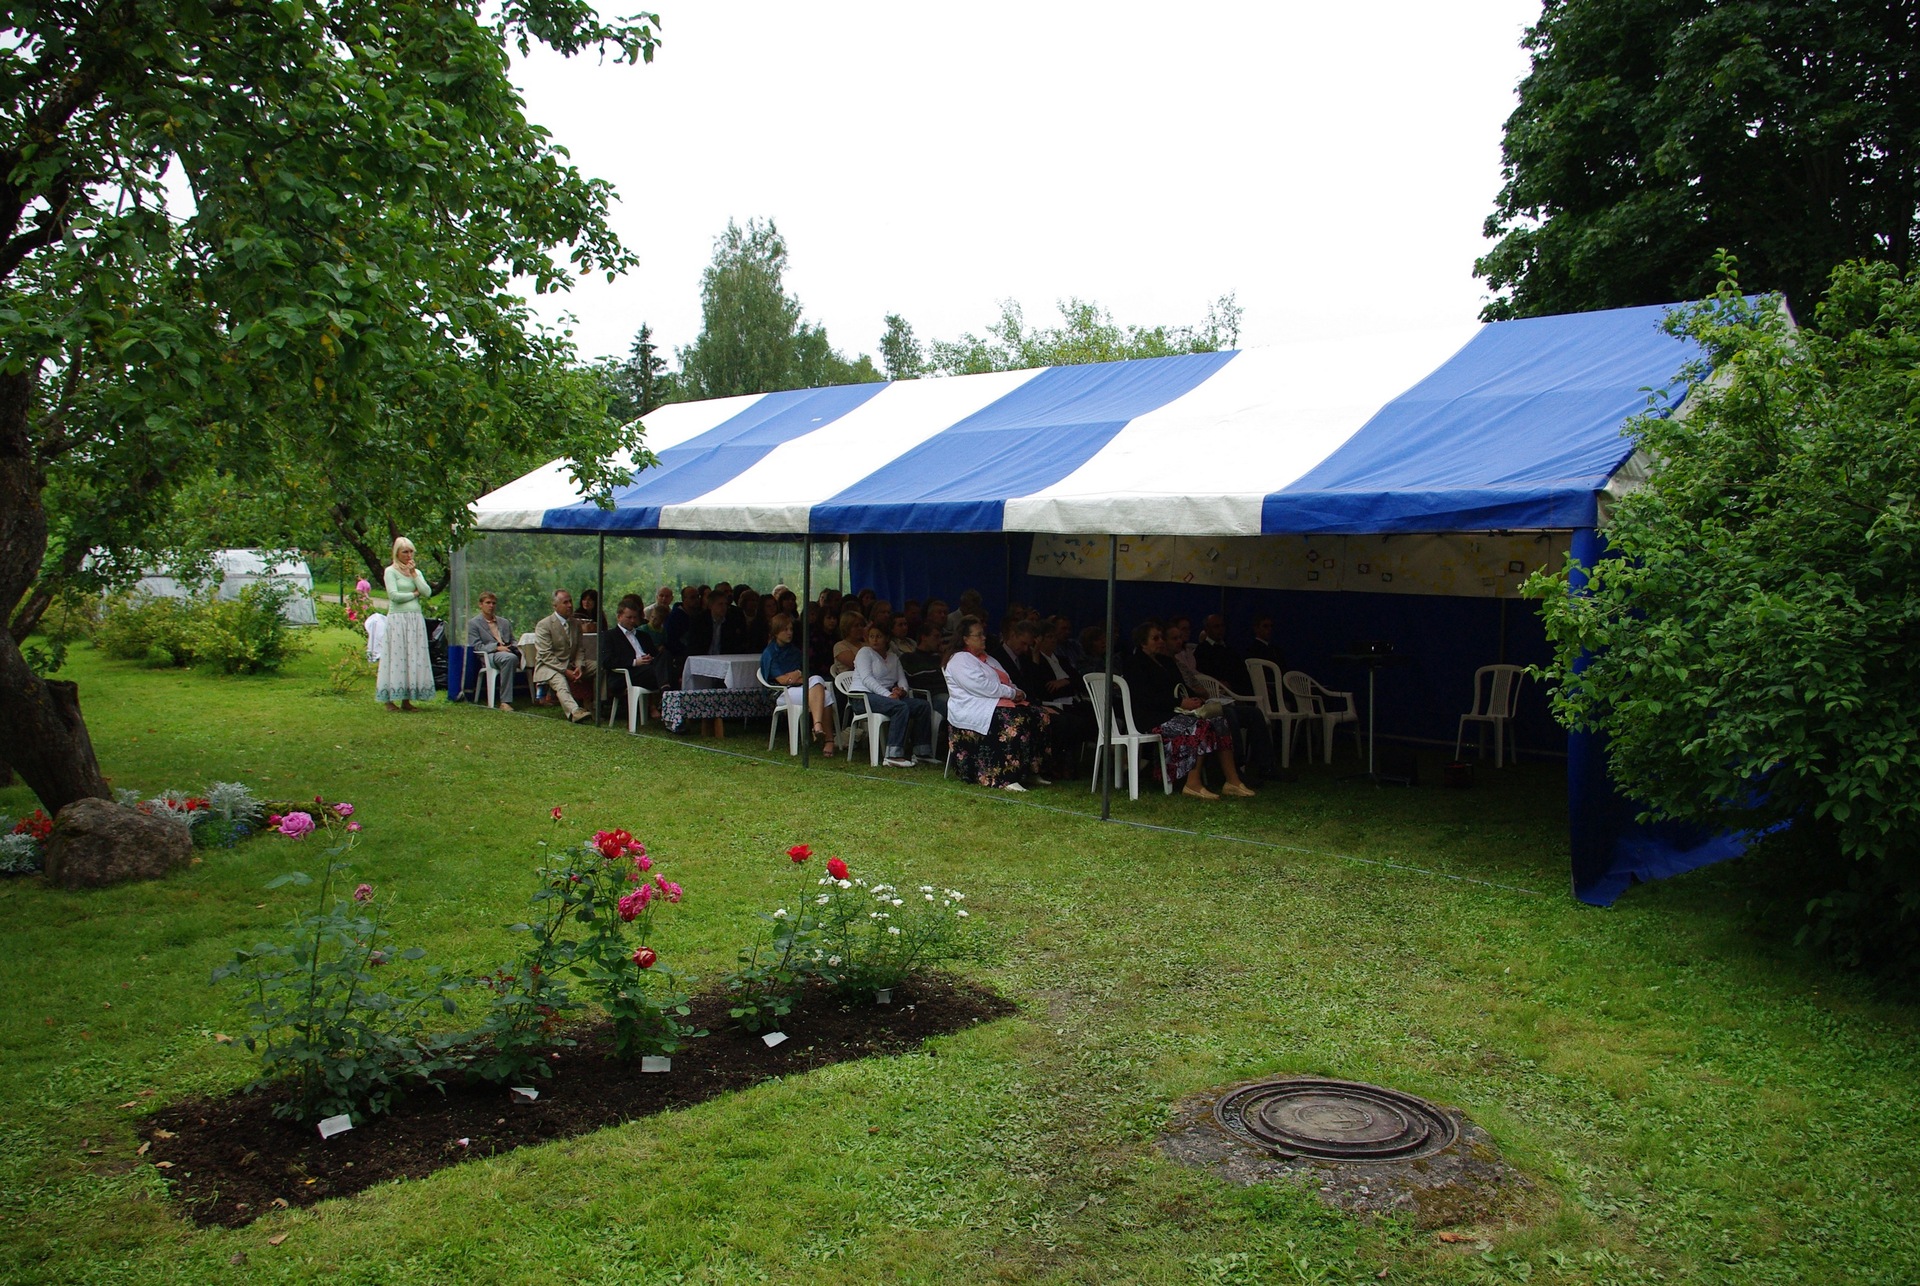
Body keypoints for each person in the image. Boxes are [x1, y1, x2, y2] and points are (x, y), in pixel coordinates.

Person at [1122, 622, 1253, 800]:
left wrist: (1195, 699)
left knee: (1219, 722)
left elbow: (1181, 686)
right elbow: (1145, 698)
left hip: (1175, 712)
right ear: (1143, 642)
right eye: (1155, 638)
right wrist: (1180, 702)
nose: (1161, 641)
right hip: (1152, 717)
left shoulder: (1166, 661)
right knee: (1199, 726)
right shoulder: (1134, 664)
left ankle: (1232, 781)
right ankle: (1193, 782)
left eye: (1161, 637)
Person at [943, 615, 1047, 792]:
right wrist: (1012, 693)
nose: (984, 638)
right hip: (974, 708)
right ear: (965, 639)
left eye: (983, 634)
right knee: (1014, 719)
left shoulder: (989, 659)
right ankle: (1005, 777)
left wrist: (1018, 692)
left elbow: (1008, 681)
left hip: (998, 703)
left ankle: (1029, 771)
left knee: (1039, 715)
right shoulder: (960, 659)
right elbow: (981, 687)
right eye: (979, 635)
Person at [851, 623, 935, 767]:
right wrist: (888, 695)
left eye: (879, 636)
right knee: (900, 707)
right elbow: (867, 679)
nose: (874, 640)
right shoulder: (864, 652)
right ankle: (892, 755)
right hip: (862, 697)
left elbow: (901, 679)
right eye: (871, 636)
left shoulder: (893, 657)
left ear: (887, 638)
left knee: (922, 706)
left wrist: (902, 690)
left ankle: (921, 752)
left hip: (885, 697)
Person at [760, 612, 835, 755]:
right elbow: (782, 680)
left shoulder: (795, 651)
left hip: (800, 687)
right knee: (826, 696)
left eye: (791, 629)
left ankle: (819, 727)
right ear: (776, 632)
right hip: (781, 692)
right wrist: (796, 675)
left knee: (817, 680)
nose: (790, 633)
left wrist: (797, 674)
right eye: (785, 630)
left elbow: (807, 674)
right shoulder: (770, 653)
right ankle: (827, 737)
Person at [376, 537, 435, 712]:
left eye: (411, 552)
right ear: (397, 553)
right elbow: (394, 596)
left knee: (412, 656)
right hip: (398, 619)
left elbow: (427, 592)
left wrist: (414, 575)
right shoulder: (390, 572)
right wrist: (414, 595)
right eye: (405, 552)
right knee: (396, 656)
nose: (409, 555)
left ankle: (406, 699)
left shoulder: (416, 572)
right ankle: (389, 699)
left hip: (414, 618)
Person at [534, 588, 597, 723]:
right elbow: (545, 655)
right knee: (560, 680)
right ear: (555, 606)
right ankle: (575, 711)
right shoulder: (544, 625)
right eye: (565, 602)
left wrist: (579, 666)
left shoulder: (576, 623)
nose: (569, 605)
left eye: (570, 601)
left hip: (571, 663)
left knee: (598, 666)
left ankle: (596, 704)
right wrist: (565, 671)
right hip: (549, 666)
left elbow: (580, 649)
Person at [602, 594, 663, 714]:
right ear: (619, 617)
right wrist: (635, 662)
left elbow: (655, 655)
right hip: (628, 674)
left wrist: (650, 658)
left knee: (665, 656)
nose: (633, 621)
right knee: (664, 673)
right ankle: (666, 696)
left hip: (649, 670)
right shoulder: (610, 636)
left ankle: (665, 690)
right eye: (629, 617)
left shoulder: (643, 635)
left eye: (635, 617)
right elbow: (607, 661)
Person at [464, 590, 519, 711]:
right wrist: (497, 647)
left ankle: (541, 696)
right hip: (490, 655)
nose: (491, 606)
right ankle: (505, 702)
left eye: (493, 603)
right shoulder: (474, 624)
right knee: (509, 658)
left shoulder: (504, 622)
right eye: (488, 603)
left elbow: (513, 640)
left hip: (508, 650)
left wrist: (515, 647)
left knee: (531, 655)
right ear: (480, 604)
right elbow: (476, 646)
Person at [831, 609, 867, 674]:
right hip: (849, 678)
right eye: (856, 626)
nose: (860, 628)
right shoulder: (840, 646)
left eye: (861, 625)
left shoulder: (866, 645)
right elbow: (855, 664)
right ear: (847, 628)